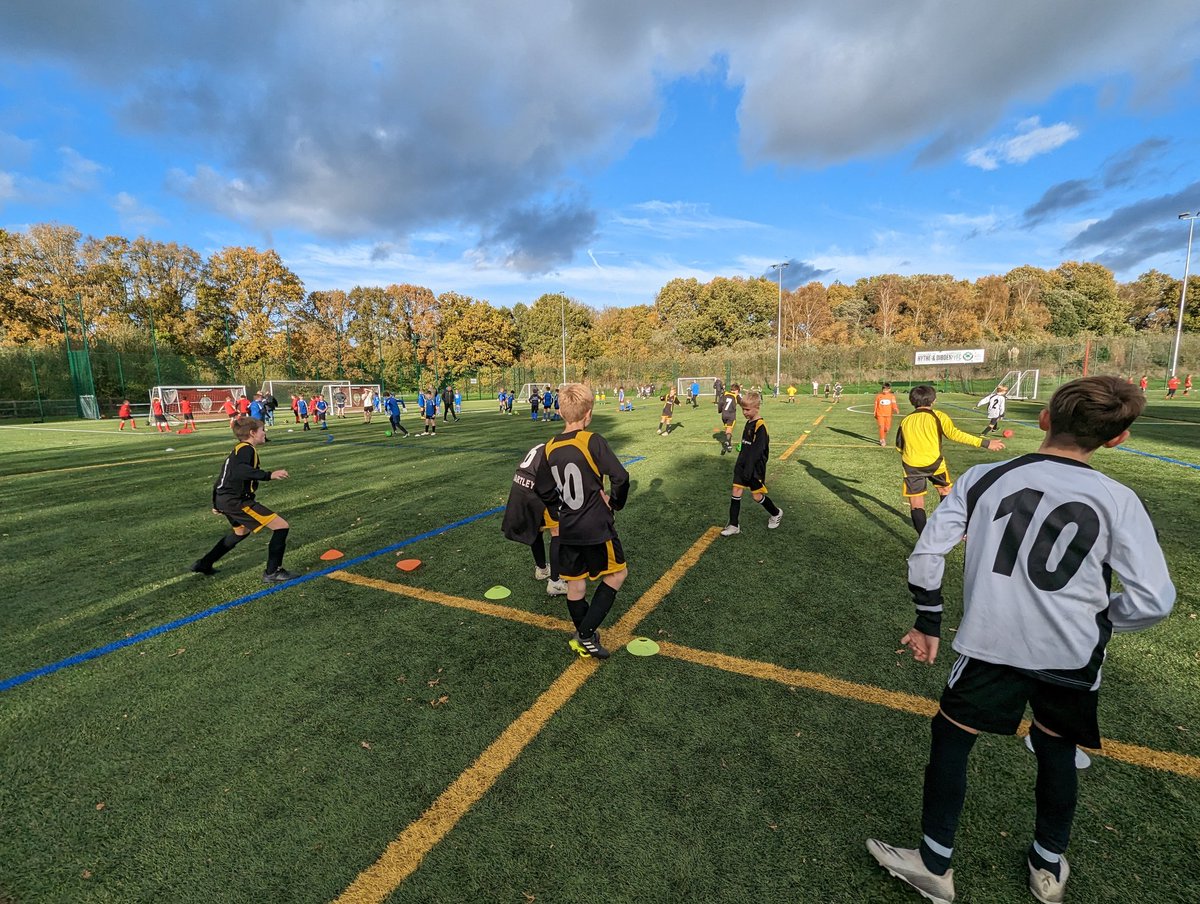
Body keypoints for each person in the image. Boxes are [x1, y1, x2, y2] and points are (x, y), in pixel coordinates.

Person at [867, 376, 1175, 904]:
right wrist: (1100, 621)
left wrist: (928, 622)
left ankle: (936, 865)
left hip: (992, 645)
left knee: (953, 738)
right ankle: (1046, 867)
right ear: (1117, 439)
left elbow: (926, 554)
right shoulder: (1118, 500)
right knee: (1058, 749)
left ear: (1044, 419)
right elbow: (1154, 600)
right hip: (1072, 654)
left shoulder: (986, 479)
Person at [535, 383, 630, 659]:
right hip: (596, 526)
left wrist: (558, 507)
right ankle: (586, 634)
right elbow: (621, 477)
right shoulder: (591, 440)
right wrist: (614, 503)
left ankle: (585, 634)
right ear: (587, 414)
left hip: (568, 527)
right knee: (617, 574)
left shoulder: (550, 446)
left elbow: (542, 488)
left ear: (562, 413)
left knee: (575, 584)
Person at [191, 416, 297, 583]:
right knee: (281, 526)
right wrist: (269, 475)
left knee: (240, 532)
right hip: (236, 501)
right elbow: (241, 470)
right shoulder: (247, 449)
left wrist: (216, 503)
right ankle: (273, 572)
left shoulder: (239, 450)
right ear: (252, 433)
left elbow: (222, 477)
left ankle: (204, 564)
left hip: (224, 499)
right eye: (262, 430)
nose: (264, 433)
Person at [897, 385, 1004, 536]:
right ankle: (959, 531)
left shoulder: (906, 420)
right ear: (933, 400)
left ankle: (924, 539)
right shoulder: (938, 416)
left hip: (911, 465)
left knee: (916, 503)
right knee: (945, 491)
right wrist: (986, 443)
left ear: (911, 401)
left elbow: (899, 446)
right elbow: (955, 434)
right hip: (934, 464)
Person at [501, 441, 568, 597]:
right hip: (536, 489)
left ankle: (542, 569)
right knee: (558, 530)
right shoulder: (561, 452)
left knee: (536, 527)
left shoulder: (544, 445)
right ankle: (556, 582)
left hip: (520, 485)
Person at [719, 390, 782, 536]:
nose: (744, 412)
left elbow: (758, 450)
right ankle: (734, 525)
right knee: (736, 491)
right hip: (743, 464)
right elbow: (748, 444)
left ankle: (776, 513)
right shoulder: (749, 423)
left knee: (757, 496)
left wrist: (749, 468)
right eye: (743, 409)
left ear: (757, 408)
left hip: (754, 468)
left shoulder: (760, 426)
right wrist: (742, 450)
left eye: (747, 409)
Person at [873, 382, 898, 446]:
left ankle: (883, 436)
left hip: (888, 415)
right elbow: (876, 405)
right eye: (884, 389)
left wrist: (895, 408)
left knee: (887, 428)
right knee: (881, 426)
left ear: (889, 389)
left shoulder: (892, 396)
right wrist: (875, 412)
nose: (885, 390)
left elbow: (893, 403)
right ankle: (882, 439)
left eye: (887, 389)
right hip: (880, 414)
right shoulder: (878, 396)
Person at [718, 382, 740, 454]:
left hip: (724, 415)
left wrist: (720, 410)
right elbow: (743, 403)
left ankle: (729, 446)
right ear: (736, 390)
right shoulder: (736, 396)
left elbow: (720, 402)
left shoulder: (725, 393)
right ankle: (727, 442)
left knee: (727, 430)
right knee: (729, 430)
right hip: (731, 415)